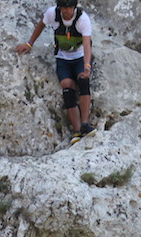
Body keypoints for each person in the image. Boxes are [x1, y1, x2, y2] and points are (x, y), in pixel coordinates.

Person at [15, 0, 95, 144]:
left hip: (79, 57)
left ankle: (85, 123)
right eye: (64, 8)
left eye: (69, 8)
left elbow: (87, 43)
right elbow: (41, 25)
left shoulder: (82, 19)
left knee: (83, 80)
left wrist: (87, 65)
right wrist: (29, 44)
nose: (67, 11)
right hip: (62, 57)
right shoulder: (53, 14)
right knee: (66, 85)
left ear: (74, 7)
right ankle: (76, 130)